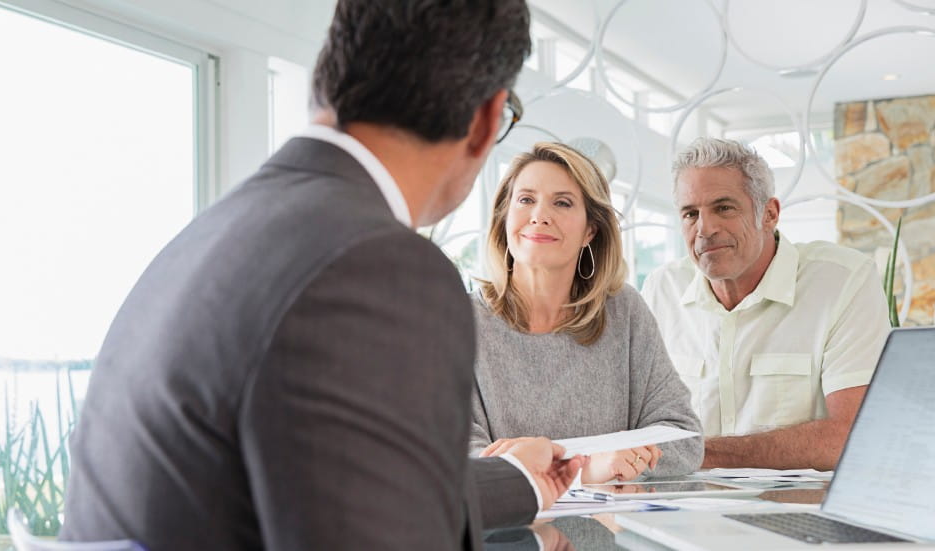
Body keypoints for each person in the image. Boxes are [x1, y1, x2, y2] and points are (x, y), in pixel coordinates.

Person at [60, 2, 585, 550]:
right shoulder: (377, 264)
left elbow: (322, 480)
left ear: (325, 79)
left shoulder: (213, 234)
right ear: (484, 120)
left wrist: (519, 481)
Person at [641, 137, 890, 470]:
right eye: (690, 214)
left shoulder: (843, 282)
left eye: (724, 208)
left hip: (797, 512)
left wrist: (696, 453)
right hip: (680, 509)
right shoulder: (662, 290)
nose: (705, 229)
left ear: (769, 214)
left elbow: (852, 436)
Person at [469, 142, 703, 483]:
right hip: (504, 533)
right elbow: (460, 455)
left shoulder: (624, 312)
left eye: (562, 202)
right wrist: (587, 469)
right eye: (525, 200)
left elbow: (683, 438)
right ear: (504, 216)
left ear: (590, 231)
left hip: (611, 532)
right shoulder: (460, 321)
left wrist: (551, 463)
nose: (539, 215)